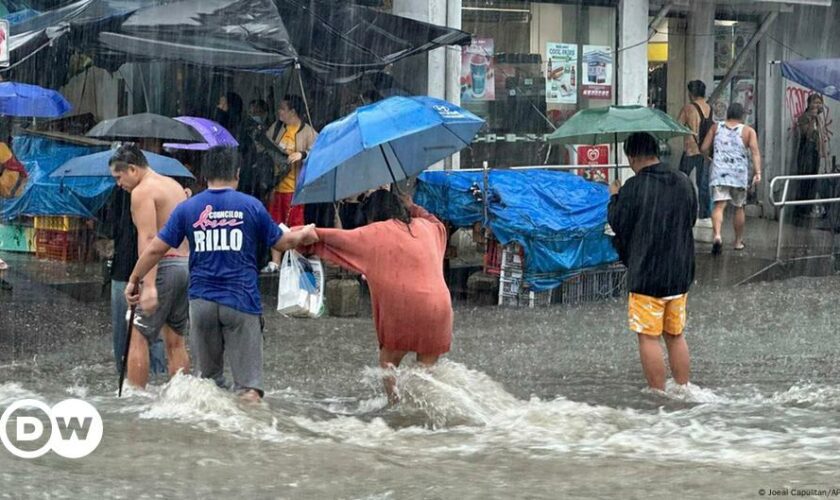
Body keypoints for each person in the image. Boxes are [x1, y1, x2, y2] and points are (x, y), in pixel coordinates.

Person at [126, 147, 318, 402]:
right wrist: (304, 234)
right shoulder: (250, 206)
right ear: (237, 174)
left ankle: (207, 438)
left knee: (208, 385)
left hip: (202, 305)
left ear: (205, 175)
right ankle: (246, 439)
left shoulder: (188, 208)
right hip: (241, 302)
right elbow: (282, 242)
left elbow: (154, 250)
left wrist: (134, 280)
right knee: (249, 389)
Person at [306, 189, 452, 404]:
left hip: (405, 309)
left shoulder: (375, 232)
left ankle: (395, 404)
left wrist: (302, 233)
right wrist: (412, 206)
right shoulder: (428, 228)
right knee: (425, 374)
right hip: (439, 309)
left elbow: (336, 239)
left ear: (372, 215)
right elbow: (435, 221)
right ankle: (423, 410)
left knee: (389, 361)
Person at [608, 132, 697, 391]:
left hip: (647, 274)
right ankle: (683, 389)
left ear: (632, 157)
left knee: (649, 337)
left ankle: (658, 395)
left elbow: (618, 223)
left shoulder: (634, 188)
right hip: (679, 274)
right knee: (675, 334)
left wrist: (614, 196)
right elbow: (690, 218)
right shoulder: (682, 180)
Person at [108, 144, 191, 389]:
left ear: (132, 169)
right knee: (175, 339)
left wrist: (148, 284)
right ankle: (182, 398)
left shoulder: (142, 192)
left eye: (119, 176)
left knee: (139, 336)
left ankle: (135, 401)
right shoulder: (173, 185)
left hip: (163, 267)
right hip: (184, 266)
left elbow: (148, 239)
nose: (118, 183)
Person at [107, 188, 167, 376]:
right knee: (149, 330)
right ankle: (153, 377)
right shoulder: (159, 192)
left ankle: (127, 377)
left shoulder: (119, 194)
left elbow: (109, 230)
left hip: (130, 269)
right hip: (146, 270)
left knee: (126, 331)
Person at [263, 95, 318, 272]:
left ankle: (293, 260)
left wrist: (302, 154)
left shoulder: (307, 131)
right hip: (276, 186)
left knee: (295, 225)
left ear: (292, 111)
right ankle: (275, 262)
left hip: (295, 188)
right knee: (275, 223)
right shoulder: (277, 128)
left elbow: (318, 151)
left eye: (282, 109)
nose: (279, 112)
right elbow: (264, 145)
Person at [700, 103, 762, 254]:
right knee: (739, 207)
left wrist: (709, 157)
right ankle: (738, 241)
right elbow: (755, 152)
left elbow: (703, 147)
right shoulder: (748, 131)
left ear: (728, 113)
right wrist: (757, 172)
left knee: (719, 206)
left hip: (719, 172)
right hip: (738, 175)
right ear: (742, 116)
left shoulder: (716, 128)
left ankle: (717, 236)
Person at [676, 80, 713, 220]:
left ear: (691, 93)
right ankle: (705, 214)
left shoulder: (688, 108)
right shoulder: (709, 107)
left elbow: (677, 125)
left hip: (690, 150)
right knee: (702, 184)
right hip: (704, 152)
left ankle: (682, 209)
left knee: (681, 181)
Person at [794, 94, 829, 219]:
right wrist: (811, 120)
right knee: (805, 180)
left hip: (815, 153)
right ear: (809, 104)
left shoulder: (819, 119)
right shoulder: (804, 118)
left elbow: (821, 136)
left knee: (813, 181)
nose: (817, 105)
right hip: (806, 153)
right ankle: (800, 209)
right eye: (815, 102)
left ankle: (808, 208)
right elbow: (806, 134)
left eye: (819, 103)